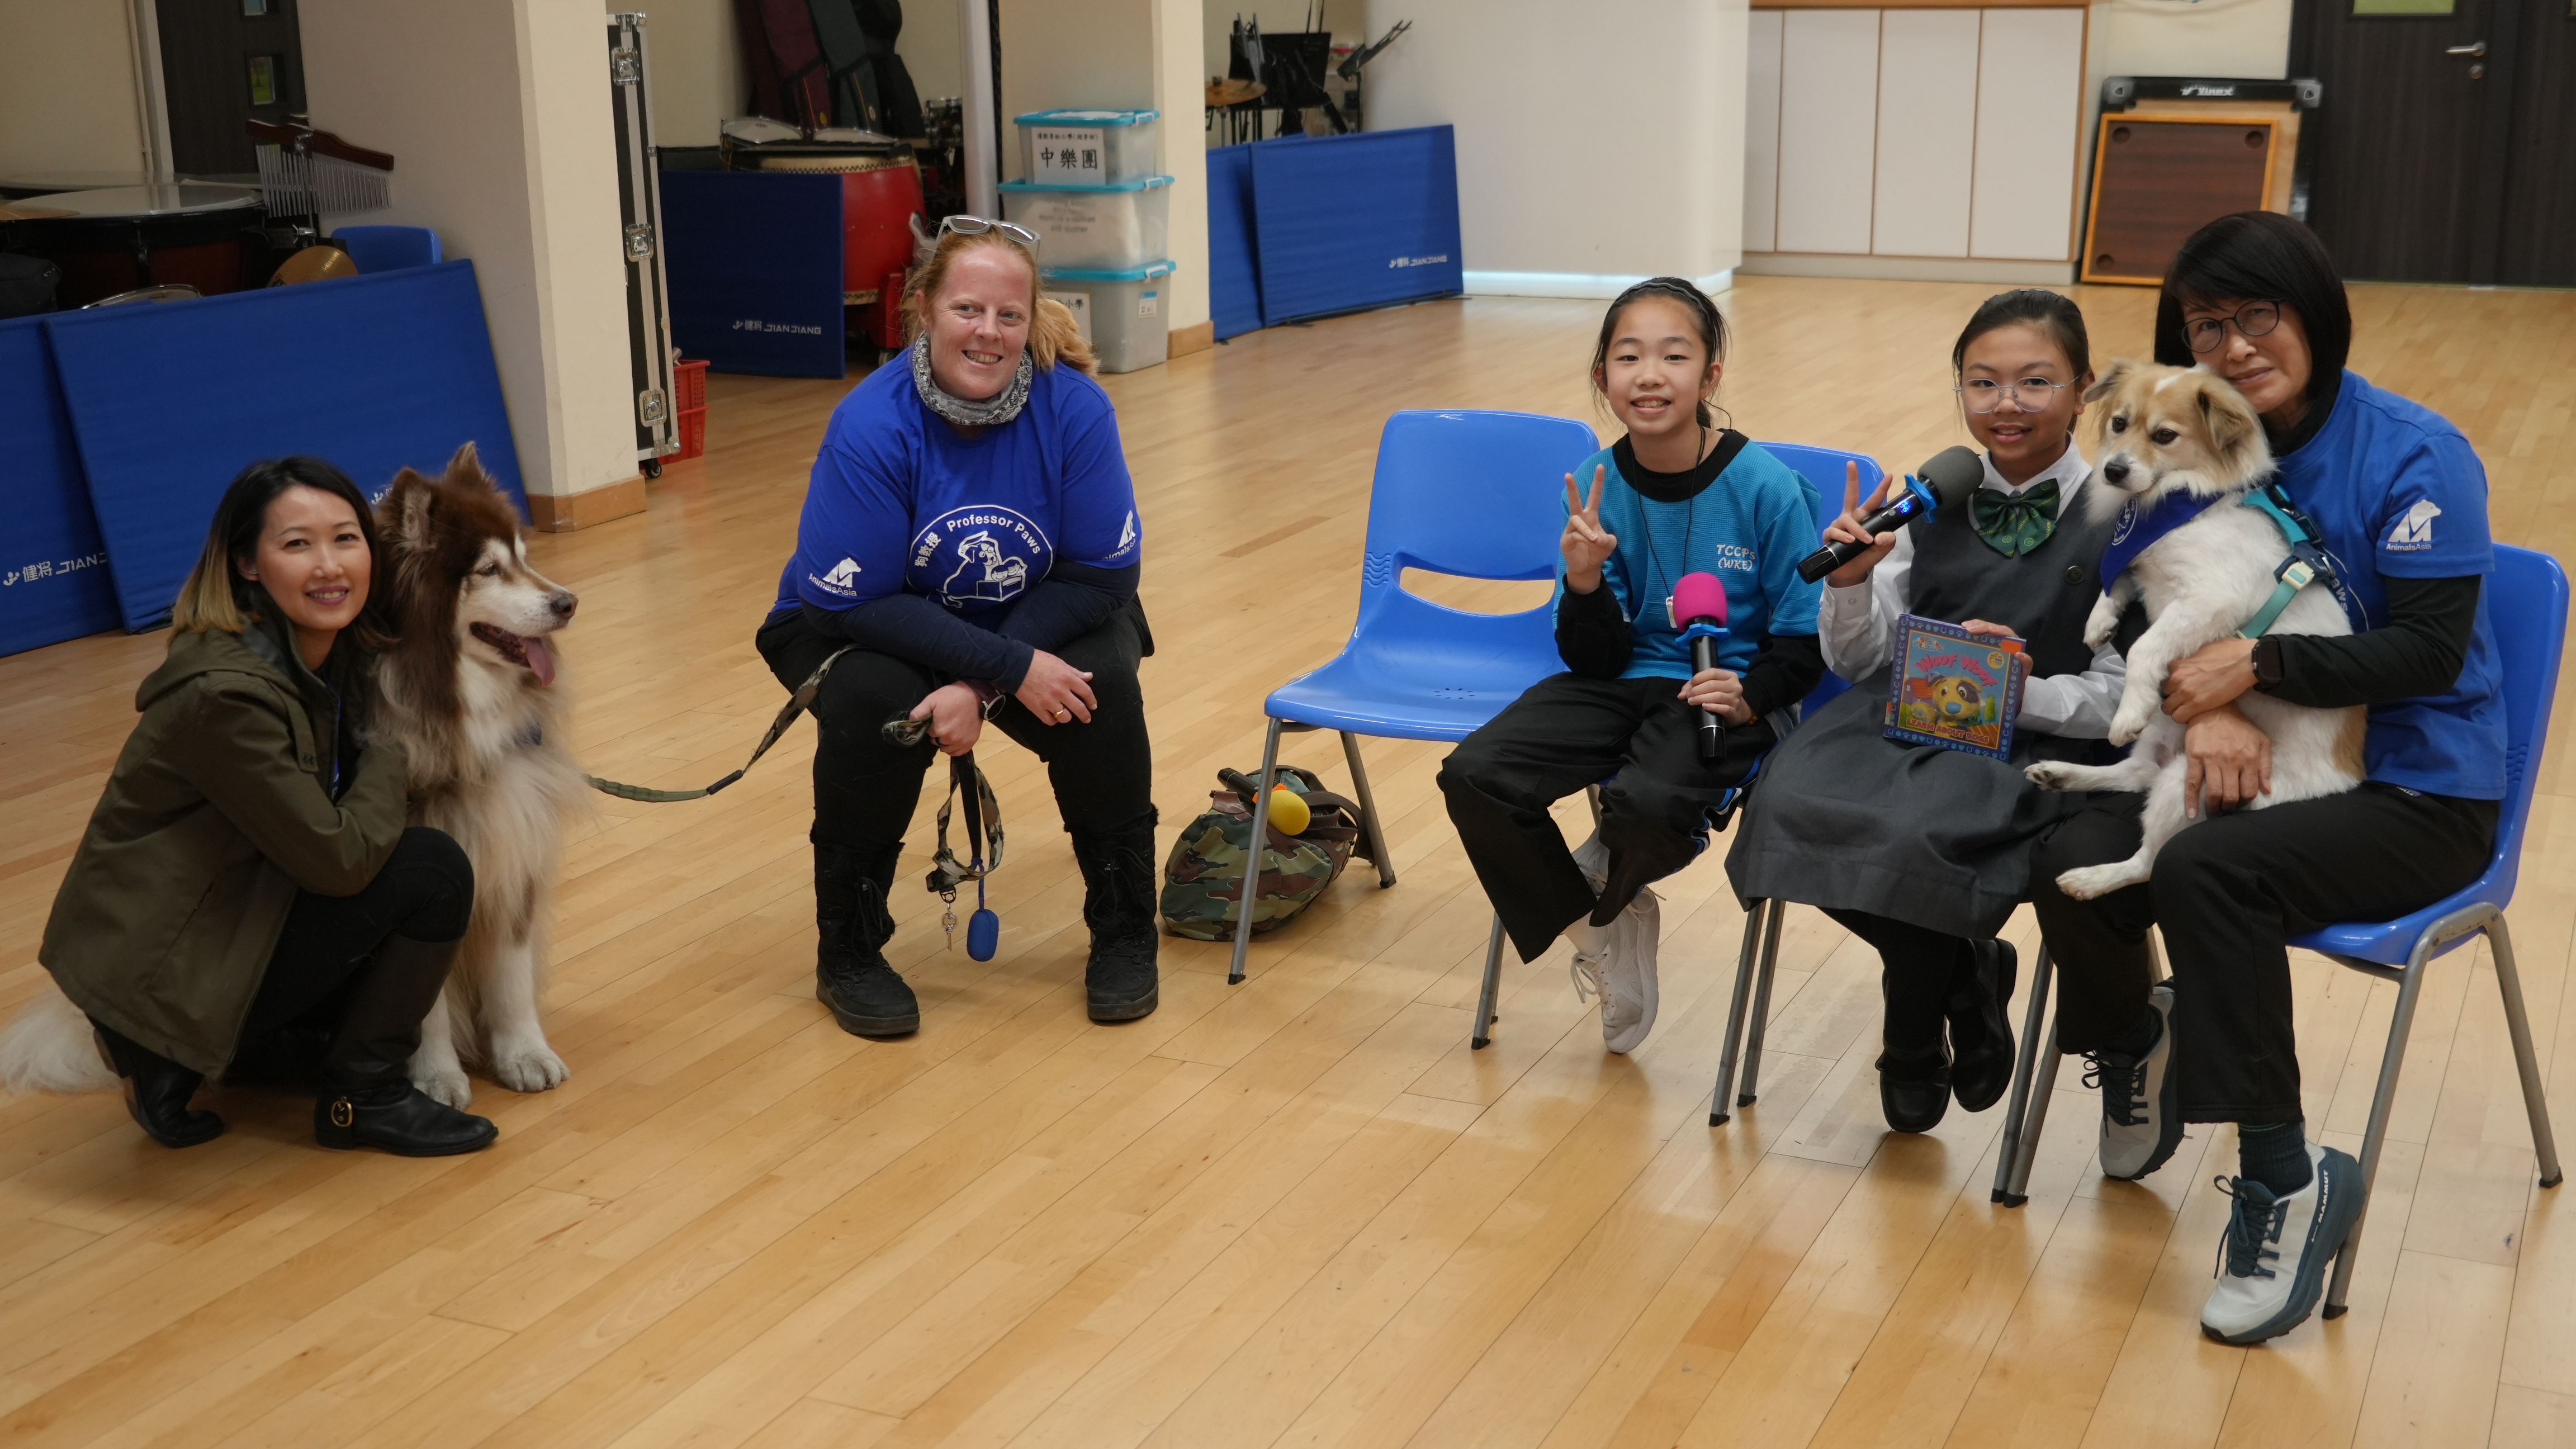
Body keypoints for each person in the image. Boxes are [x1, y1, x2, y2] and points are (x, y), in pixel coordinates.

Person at [2032, 212, 2507, 1344]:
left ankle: (2284, 1178)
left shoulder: (2415, 453)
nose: (2236, 345)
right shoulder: (2175, 437)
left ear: (2315, 316)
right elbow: (2135, 598)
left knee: (2207, 872)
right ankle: (2137, 1042)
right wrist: (2214, 707)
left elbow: (2429, 653)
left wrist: (2253, 671)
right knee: (2067, 849)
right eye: (2207, 325)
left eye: (2260, 315)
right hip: (2251, 736)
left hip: (2418, 788)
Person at [1728, 290, 2122, 1133]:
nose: (2006, 403)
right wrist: (1850, 583)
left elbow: (2125, 696)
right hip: (1901, 717)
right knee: (1783, 801)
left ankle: (1909, 1038)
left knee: (1913, 835)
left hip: (2030, 740)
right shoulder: (1928, 501)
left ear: (2084, 389)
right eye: (1982, 382)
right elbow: (1861, 662)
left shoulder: (2123, 520)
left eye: (2035, 381)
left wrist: (2022, 693)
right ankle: (1964, 976)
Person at [756, 216, 1158, 1039]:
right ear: (924, 311)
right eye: (968, 310)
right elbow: (845, 604)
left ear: (1030, 321)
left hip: (1036, 607)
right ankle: (849, 953)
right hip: (868, 615)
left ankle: (1125, 932)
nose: (989, 333)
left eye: (1010, 315)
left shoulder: (1074, 408)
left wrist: (981, 679)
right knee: (877, 702)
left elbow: (1103, 575)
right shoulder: (872, 422)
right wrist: (1006, 667)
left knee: (1101, 690)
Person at [39, 457, 495, 1157]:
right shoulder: (227, 696)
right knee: (431, 869)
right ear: (247, 564)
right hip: (165, 969)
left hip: (232, 920)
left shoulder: (329, 648)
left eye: (346, 538)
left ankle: (243, 1049)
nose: (329, 565)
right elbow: (339, 861)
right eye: (297, 544)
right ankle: (359, 1098)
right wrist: (391, 746)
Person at [1438, 277, 1826, 1054]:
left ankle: (1612, 872)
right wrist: (1584, 583)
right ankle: (1604, 925)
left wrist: (1752, 696)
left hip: (1723, 688)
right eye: (1629, 357)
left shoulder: (1766, 486)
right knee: (1475, 774)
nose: (1650, 375)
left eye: (1674, 356)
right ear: (1602, 378)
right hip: (1618, 680)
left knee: (1650, 807)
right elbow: (1594, 656)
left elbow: (1803, 638)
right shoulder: (1595, 489)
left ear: (1710, 377)